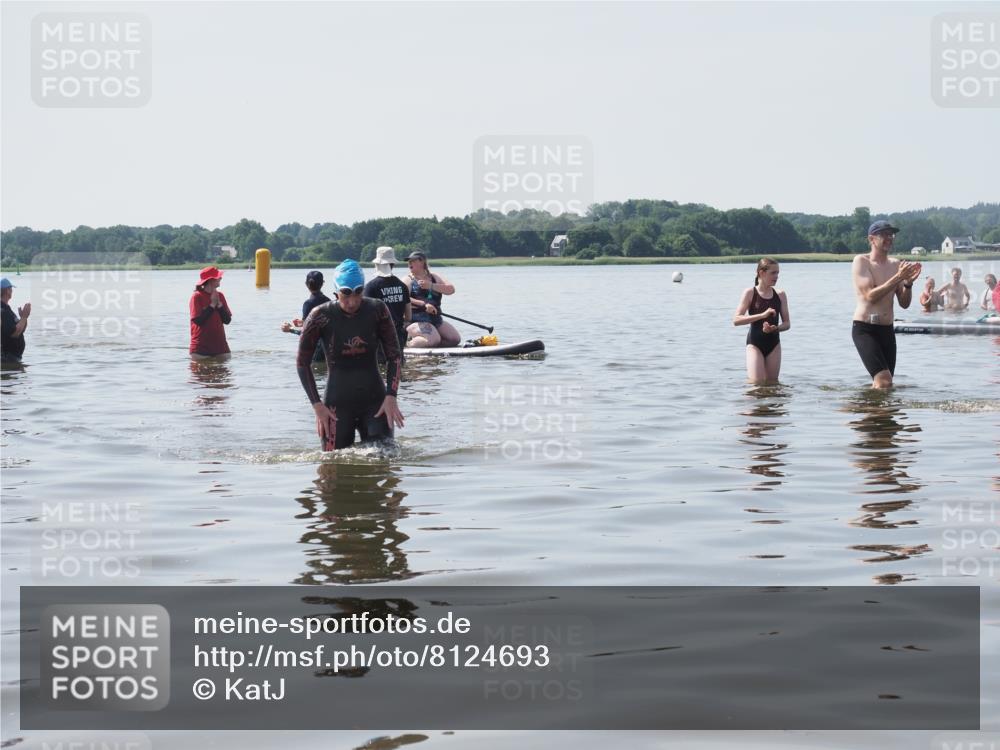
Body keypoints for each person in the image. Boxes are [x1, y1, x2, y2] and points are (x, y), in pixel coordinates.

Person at [297, 259, 404, 450]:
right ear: (336, 291)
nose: (352, 301)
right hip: (336, 405)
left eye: (358, 292)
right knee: (331, 470)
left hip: (376, 402)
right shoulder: (319, 316)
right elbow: (302, 363)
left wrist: (391, 396)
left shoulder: (377, 309)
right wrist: (317, 405)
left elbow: (394, 356)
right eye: (346, 293)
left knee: (383, 463)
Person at [851, 220, 921, 389]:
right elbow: (869, 296)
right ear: (871, 239)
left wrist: (908, 284)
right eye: (884, 234)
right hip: (865, 329)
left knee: (884, 383)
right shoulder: (862, 261)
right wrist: (898, 277)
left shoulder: (896, 264)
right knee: (884, 380)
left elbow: (904, 304)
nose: (889, 238)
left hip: (887, 330)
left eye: (891, 234)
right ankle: (873, 412)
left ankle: (876, 413)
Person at [733, 258, 791, 384]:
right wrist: (762, 315)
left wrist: (776, 328)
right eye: (773, 273)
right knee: (756, 384)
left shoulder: (780, 294)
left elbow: (787, 324)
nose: (776, 276)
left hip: (774, 344)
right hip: (755, 344)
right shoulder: (750, 293)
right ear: (761, 273)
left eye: (778, 273)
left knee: (772, 385)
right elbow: (736, 320)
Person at [404, 251, 460, 348]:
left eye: (412, 261)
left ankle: (431, 345)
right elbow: (403, 298)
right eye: (408, 261)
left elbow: (451, 289)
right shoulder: (408, 280)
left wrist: (431, 285)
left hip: (435, 319)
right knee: (434, 340)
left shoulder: (434, 277)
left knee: (454, 339)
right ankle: (406, 343)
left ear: (422, 262)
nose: (409, 263)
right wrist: (423, 305)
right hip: (415, 320)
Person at [364, 246, 411, 356]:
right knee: (398, 366)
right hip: (398, 335)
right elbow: (408, 316)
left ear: (377, 264)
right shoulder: (402, 286)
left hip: (379, 337)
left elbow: (365, 316)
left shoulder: (371, 287)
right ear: (393, 264)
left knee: (380, 367)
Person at [282, 270, 330, 362]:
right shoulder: (329, 301)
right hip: (328, 349)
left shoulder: (308, 303)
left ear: (306, 284)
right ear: (323, 283)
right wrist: (302, 323)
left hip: (315, 349)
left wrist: (290, 329)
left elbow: (307, 332)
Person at [189, 266, 232, 358]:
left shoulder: (220, 295)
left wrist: (219, 305)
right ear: (211, 280)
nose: (221, 278)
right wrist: (212, 305)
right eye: (218, 277)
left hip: (221, 347)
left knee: (226, 371)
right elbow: (198, 321)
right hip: (200, 349)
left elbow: (227, 320)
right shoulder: (197, 297)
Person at [1, 278, 30, 363]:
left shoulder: (6, 308)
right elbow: (14, 333)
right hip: (8, 358)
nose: (12, 291)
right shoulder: (3, 310)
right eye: (11, 289)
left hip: (13, 358)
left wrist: (23, 318)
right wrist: (24, 317)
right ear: (7, 291)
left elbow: (21, 330)